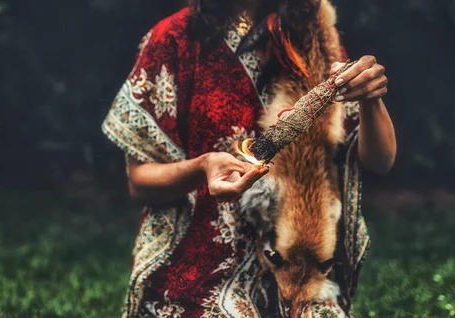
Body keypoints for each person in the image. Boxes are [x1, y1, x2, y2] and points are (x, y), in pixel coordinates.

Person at [101, 0, 396, 317]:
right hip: (198, 261)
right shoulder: (174, 39)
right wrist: (202, 168)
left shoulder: (312, 36)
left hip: (293, 262)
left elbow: (381, 161)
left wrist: (371, 100)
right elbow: (139, 181)